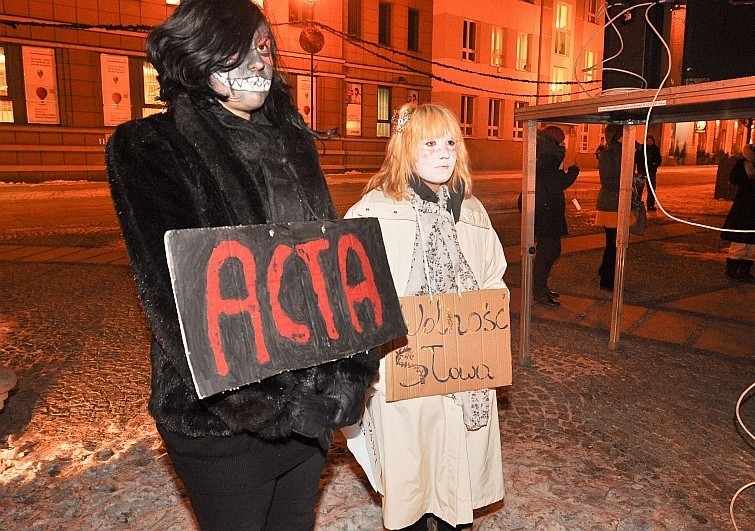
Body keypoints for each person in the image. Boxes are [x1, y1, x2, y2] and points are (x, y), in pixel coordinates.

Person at [104, 1, 379, 528]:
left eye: (263, 46)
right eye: (234, 49)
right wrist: (274, 405)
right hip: (224, 425)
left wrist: (349, 375)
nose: (257, 62)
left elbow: (331, 272)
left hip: (309, 412)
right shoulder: (151, 147)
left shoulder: (291, 142)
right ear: (195, 55)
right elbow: (177, 301)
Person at [345, 102, 506, 530]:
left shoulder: (472, 212)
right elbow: (352, 294)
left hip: (465, 370)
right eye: (430, 143)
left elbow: (494, 278)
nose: (444, 153)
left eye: (451, 142)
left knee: (459, 483)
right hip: (404, 371)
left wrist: (483, 324)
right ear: (404, 149)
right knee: (410, 480)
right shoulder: (373, 212)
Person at [531, 126, 579, 306]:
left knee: (551, 250)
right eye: (561, 141)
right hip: (546, 212)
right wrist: (572, 173)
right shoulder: (548, 157)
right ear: (555, 141)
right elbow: (556, 183)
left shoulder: (546, 155)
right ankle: (539, 290)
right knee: (548, 252)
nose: (564, 144)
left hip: (546, 209)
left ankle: (541, 288)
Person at [721, 137, 755, 282]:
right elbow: (734, 179)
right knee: (740, 240)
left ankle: (745, 270)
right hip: (744, 208)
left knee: (753, 242)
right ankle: (732, 269)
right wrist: (748, 172)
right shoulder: (744, 163)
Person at [595, 123, 625, 292]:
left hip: (620, 202)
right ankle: (607, 279)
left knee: (617, 242)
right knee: (613, 243)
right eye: (622, 134)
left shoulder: (626, 152)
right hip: (610, 204)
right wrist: (626, 182)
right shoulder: (608, 155)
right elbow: (607, 181)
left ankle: (606, 272)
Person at [635, 134, 663, 211]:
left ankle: (650, 205)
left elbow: (659, 159)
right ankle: (637, 203)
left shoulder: (655, 149)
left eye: (651, 140)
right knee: (639, 187)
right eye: (648, 140)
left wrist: (654, 166)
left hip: (651, 170)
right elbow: (637, 158)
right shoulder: (641, 148)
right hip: (642, 170)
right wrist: (640, 166)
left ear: (653, 141)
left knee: (651, 188)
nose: (649, 142)